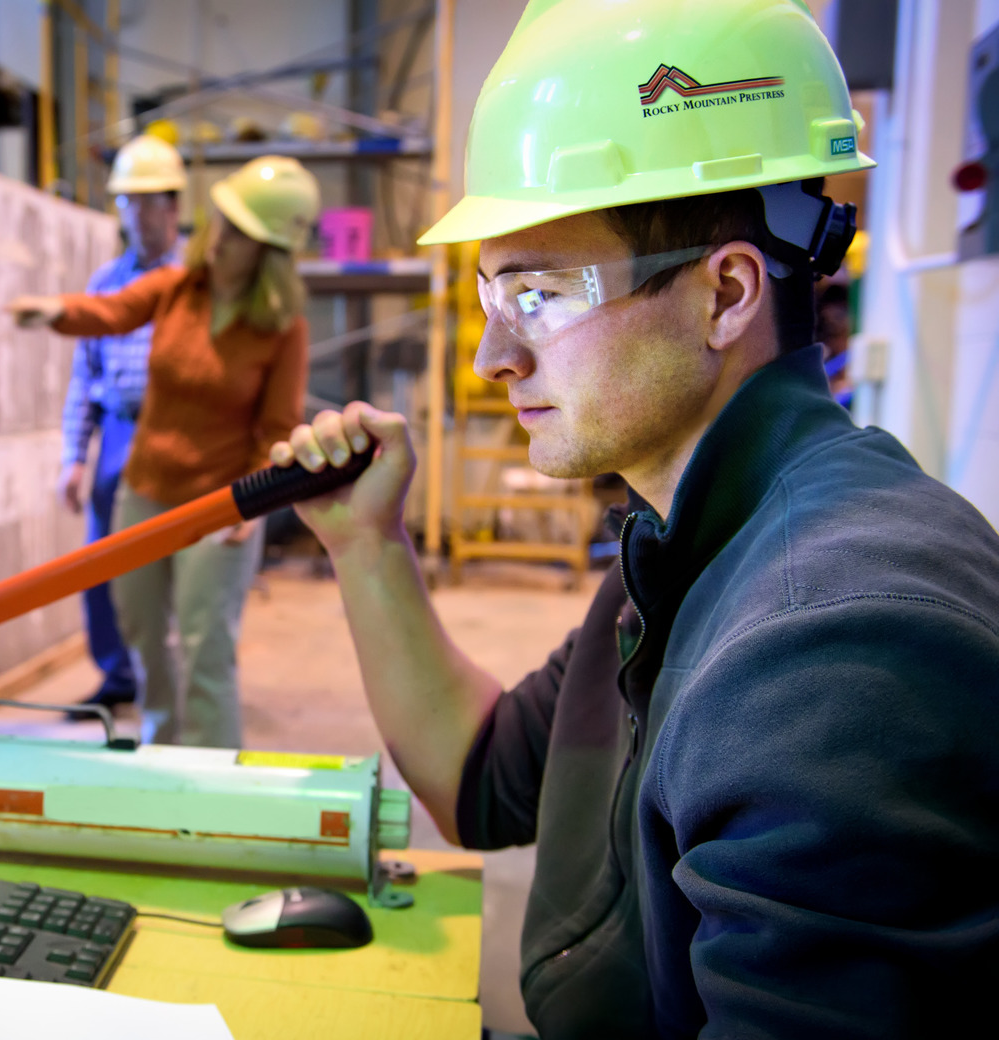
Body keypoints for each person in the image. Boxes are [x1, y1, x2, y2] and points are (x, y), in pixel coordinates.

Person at [271, 2, 999, 1036]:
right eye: (491, 295)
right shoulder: (687, 548)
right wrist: (365, 543)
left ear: (728, 293)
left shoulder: (832, 646)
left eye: (543, 295)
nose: (493, 358)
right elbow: (485, 777)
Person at [8, 156, 319, 748]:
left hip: (220, 507)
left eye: (240, 232)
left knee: (207, 650)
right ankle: (162, 753)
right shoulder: (179, 288)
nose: (220, 238)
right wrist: (57, 311)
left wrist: (247, 509)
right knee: (145, 636)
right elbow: (114, 309)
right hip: (145, 489)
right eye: (222, 222)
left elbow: (275, 429)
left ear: (270, 250)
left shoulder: (281, 327)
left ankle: (212, 785)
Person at [59, 135, 187, 716]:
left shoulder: (194, 286)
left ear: (174, 206)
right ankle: (116, 676)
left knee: (174, 564)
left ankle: (167, 676)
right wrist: (73, 457)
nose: (137, 214)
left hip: (175, 435)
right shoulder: (104, 283)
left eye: (149, 201)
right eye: (127, 202)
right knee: (101, 559)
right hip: (115, 432)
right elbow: (82, 375)